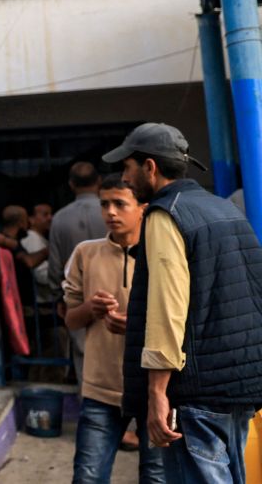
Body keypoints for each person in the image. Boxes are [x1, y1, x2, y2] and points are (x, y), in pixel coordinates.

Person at [109, 123, 262, 484]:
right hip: (239, 384)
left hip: (196, 393)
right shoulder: (223, 209)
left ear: (149, 167)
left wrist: (157, 393)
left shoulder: (165, 215)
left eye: (127, 167)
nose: (124, 177)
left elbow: (167, 309)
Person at [63, 174, 165, 483]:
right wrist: (89, 309)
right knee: (88, 477)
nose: (110, 212)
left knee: (156, 477)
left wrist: (136, 327)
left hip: (155, 387)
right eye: (104, 204)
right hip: (101, 388)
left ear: (142, 209)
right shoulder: (85, 253)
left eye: (120, 204)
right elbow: (70, 319)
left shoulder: (162, 255)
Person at [50, 161, 107, 381]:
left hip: (77, 298)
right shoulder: (115, 211)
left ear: (71, 185)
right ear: (99, 181)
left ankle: (91, 406)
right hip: (116, 293)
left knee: (84, 357)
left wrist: (59, 297)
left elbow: (55, 267)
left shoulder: (60, 218)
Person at [23, 203, 54, 304]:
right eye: (45, 215)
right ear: (31, 219)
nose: (50, 218)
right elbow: (41, 274)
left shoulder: (40, 238)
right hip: (44, 302)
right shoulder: (32, 238)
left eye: (50, 214)